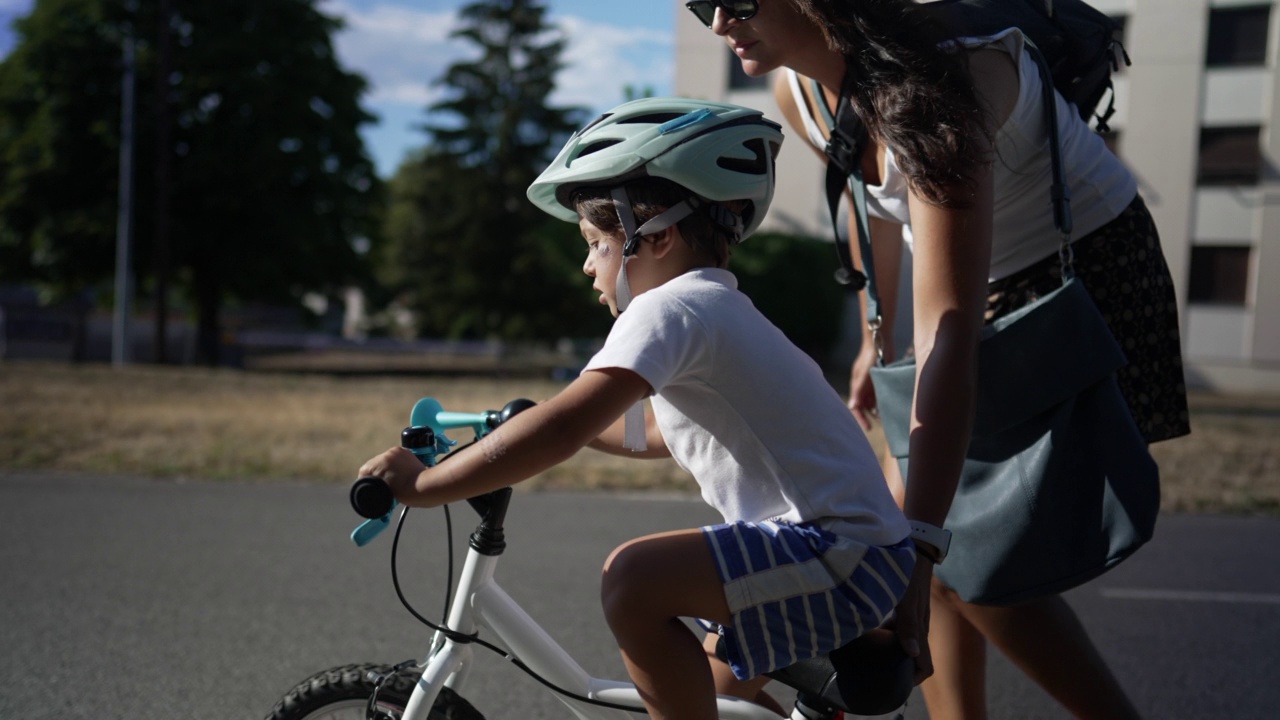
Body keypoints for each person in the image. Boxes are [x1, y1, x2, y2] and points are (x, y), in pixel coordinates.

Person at [683, 1, 1190, 719]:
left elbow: (949, 328)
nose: (717, 22)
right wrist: (874, 340)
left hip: (1079, 274)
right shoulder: (795, 89)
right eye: (698, 3)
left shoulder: (946, 80)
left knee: (949, 556)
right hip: (962, 280)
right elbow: (877, 216)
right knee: (910, 541)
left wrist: (917, 549)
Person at [357, 97, 934, 720]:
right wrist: (532, 423)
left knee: (633, 580)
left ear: (654, 237)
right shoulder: (715, 309)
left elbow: (563, 427)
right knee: (709, 691)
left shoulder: (669, 309)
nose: (587, 264)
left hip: (834, 554)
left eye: (596, 243)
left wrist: (426, 484)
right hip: (860, 556)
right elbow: (661, 433)